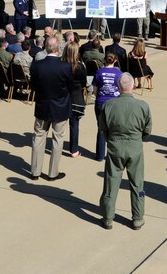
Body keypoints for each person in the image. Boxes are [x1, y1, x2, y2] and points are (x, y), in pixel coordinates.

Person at [98, 73, 153, 230]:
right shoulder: (142, 106)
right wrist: (138, 139)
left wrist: (111, 140)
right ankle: (137, 217)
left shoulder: (109, 105)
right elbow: (147, 130)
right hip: (135, 148)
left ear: (118, 87)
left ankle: (108, 217)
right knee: (137, 183)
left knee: (111, 182)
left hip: (115, 147)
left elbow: (102, 128)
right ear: (133, 86)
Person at [29, 37, 74, 181]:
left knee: (38, 137)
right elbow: (71, 87)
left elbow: (34, 86)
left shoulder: (37, 65)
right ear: (57, 49)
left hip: (43, 105)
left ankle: (35, 171)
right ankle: (52, 172)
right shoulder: (65, 67)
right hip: (59, 107)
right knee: (57, 139)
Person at [93, 52, 123, 161]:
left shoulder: (99, 72)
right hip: (114, 102)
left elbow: (95, 90)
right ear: (115, 60)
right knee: (114, 130)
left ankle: (100, 155)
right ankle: (113, 155)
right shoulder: (119, 73)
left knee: (101, 129)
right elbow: (122, 89)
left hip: (101, 101)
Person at [62, 43, 87, 158]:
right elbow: (84, 83)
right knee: (74, 124)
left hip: (63, 97)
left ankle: (57, 146)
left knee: (59, 125)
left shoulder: (61, 65)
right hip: (76, 97)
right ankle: (74, 150)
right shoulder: (80, 67)